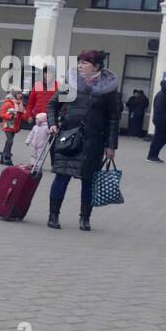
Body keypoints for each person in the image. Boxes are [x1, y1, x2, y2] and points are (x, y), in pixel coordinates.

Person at [47, 49, 120, 231]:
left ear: (96, 66)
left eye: (85, 63)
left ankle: (85, 218)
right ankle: (53, 215)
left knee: (88, 181)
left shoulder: (108, 90)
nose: (80, 66)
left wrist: (111, 145)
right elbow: (52, 105)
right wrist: (52, 124)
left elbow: (113, 119)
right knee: (62, 177)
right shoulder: (71, 84)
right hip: (69, 138)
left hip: (94, 141)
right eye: (79, 62)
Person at [147, 79, 166, 162]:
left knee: (162, 138)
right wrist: (165, 117)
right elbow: (159, 109)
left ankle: (154, 155)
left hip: (164, 121)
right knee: (159, 138)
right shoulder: (161, 96)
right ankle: (151, 156)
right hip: (160, 121)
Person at [0, 85, 24, 165]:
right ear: (14, 94)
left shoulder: (19, 103)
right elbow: (2, 114)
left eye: (21, 93)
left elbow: (21, 113)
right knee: (10, 141)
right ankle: (7, 157)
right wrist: (11, 116)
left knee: (8, 141)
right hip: (8, 125)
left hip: (14, 125)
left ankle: (3, 157)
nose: (20, 95)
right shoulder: (8, 103)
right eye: (18, 93)